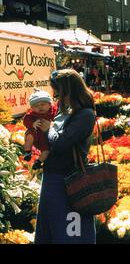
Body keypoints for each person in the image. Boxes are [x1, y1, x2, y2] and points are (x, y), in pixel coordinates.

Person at [34, 69, 96, 244]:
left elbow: (61, 143)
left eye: (59, 92)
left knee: (70, 233)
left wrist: (49, 128)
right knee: (50, 227)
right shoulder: (65, 110)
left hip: (71, 180)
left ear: (69, 90)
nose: (57, 97)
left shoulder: (85, 114)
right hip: (53, 177)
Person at [22, 89, 58, 167]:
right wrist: (32, 124)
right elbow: (26, 121)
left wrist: (53, 124)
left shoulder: (54, 112)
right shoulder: (31, 114)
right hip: (36, 133)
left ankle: (38, 162)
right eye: (36, 106)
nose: (40, 107)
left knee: (46, 151)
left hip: (46, 136)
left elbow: (58, 121)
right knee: (29, 136)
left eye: (43, 104)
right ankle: (27, 151)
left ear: (49, 104)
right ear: (32, 108)